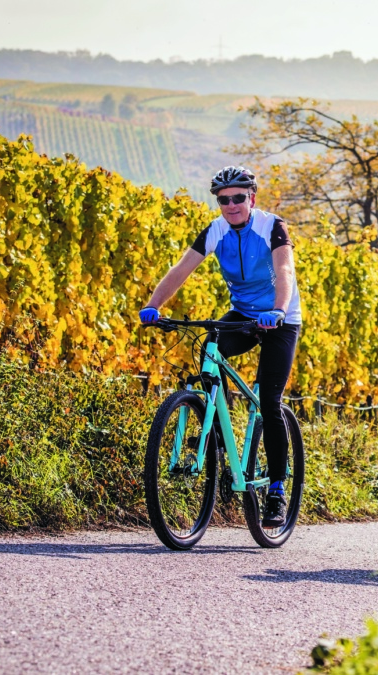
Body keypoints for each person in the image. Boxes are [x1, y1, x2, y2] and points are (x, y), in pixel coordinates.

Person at [139, 166, 300, 528]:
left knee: (270, 402)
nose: (231, 205)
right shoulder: (215, 230)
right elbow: (181, 269)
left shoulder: (272, 226)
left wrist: (278, 309)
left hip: (280, 319)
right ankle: (217, 431)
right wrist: (154, 305)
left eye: (238, 198)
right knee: (210, 348)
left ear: (251, 198)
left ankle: (276, 489)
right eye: (224, 200)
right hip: (243, 314)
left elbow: (285, 270)